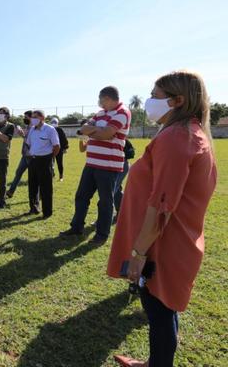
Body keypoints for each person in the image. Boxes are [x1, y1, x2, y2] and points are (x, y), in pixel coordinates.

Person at [108, 71, 217, 367]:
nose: (149, 102)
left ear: (178, 100)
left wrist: (139, 253)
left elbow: (162, 206)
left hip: (163, 244)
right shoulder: (188, 133)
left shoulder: (177, 138)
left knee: (159, 311)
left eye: (155, 96)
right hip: (172, 240)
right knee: (163, 309)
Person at [59, 86, 131, 245]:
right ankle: (76, 227)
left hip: (109, 165)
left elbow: (106, 134)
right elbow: (84, 129)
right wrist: (98, 131)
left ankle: (101, 235)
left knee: (105, 201)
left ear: (108, 98)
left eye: (101, 100)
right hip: (91, 163)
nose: (99, 103)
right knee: (81, 196)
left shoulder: (122, 112)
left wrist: (96, 131)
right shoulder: (100, 113)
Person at [25, 110, 60, 218]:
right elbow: (29, 144)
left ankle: (47, 212)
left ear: (42, 118)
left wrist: (50, 157)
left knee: (46, 188)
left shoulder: (50, 129)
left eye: (35, 117)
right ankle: (34, 208)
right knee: (32, 186)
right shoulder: (31, 130)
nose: (33, 119)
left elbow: (57, 146)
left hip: (45, 160)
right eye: (32, 117)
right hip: (33, 160)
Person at [6, 110, 33, 199]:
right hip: (25, 155)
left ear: (31, 117)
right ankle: (11, 192)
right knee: (18, 173)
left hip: (32, 157)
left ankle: (38, 195)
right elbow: (26, 139)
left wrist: (23, 135)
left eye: (26, 117)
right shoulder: (28, 127)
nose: (24, 119)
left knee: (34, 177)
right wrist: (22, 134)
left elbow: (32, 141)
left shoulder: (34, 128)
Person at [113, 138, 135, 222]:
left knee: (111, 190)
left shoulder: (119, 139)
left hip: (122, 165)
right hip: (116, 165)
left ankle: (103, 218)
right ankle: (122, 213)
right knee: (116, 190)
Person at [50, 117, 69, 181]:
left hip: (57, 149)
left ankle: (60, 176)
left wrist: (65, 148)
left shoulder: (59, 130)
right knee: (52, 163)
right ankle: (53, 175)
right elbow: (65, 139)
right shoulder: (49, 129)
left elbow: (63, 139)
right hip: (52, 149)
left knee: (58, 163)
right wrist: (65, 148)